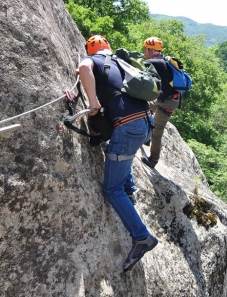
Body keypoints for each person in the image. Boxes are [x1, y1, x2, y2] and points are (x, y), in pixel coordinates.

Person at [76, 35, 158, 272]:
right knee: (121, 154)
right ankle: (130, 191)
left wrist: (93, 102)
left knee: (111, 189)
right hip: (144, 125)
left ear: (91, 49)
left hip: (129, 128)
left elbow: (84, 68)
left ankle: (142, 237)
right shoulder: (120, 62)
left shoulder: (92, 60)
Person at [141, 37, 182, 169]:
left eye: (145, 49)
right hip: (165, 97)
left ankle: (153, 160)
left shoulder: (152, 62)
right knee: (145, 109)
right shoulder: (164, 60)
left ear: (150, 49)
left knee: (157, 132)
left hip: (168, 102)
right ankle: (146, 138)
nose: (144, 52)